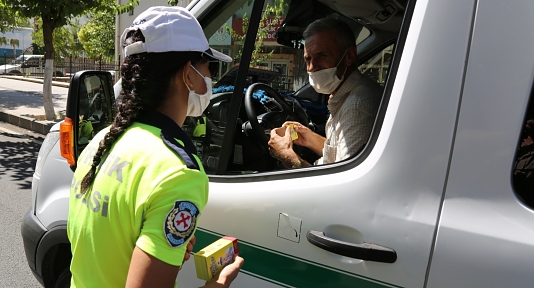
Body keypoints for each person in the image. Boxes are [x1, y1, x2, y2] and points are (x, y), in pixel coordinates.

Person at [67, 6, 243, 288]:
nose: (211, 76)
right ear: (188, 74)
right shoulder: (178, 172)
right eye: (209, 66)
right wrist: (218, 285)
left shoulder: (102, 141)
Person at [268, 17, 383, 168]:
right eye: (308, 59)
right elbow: (341, 154)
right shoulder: (348, 95)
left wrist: (287, 156)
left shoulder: (358, 106)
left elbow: (345, 185)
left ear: (349, 56)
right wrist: (309, 138)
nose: (311, 67)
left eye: (321, 55)